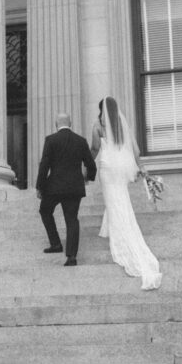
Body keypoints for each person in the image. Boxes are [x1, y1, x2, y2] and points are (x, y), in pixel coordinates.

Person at [91, 96, 162, 290]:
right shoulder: (122, 126)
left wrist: (87, 165)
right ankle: (108, 227)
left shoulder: (98, 125)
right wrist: (140, 167)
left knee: (112, 198)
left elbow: (95, 148)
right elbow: (136, 150)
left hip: (107, 167)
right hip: (121, 168)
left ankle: (120, 234)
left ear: (101, 110)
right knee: (119, 197)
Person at [36, 112, 97, 267]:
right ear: (71, 124)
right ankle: (71, 256)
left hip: (54, 187)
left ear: (56, 124)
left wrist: (39, 187)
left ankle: (56, 243)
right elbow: (91, 164)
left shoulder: (50, 140)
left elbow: (44, 165)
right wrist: (88, 177)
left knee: (45, 211)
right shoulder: (80, 141)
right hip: (74, 187)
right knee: (71, 219)